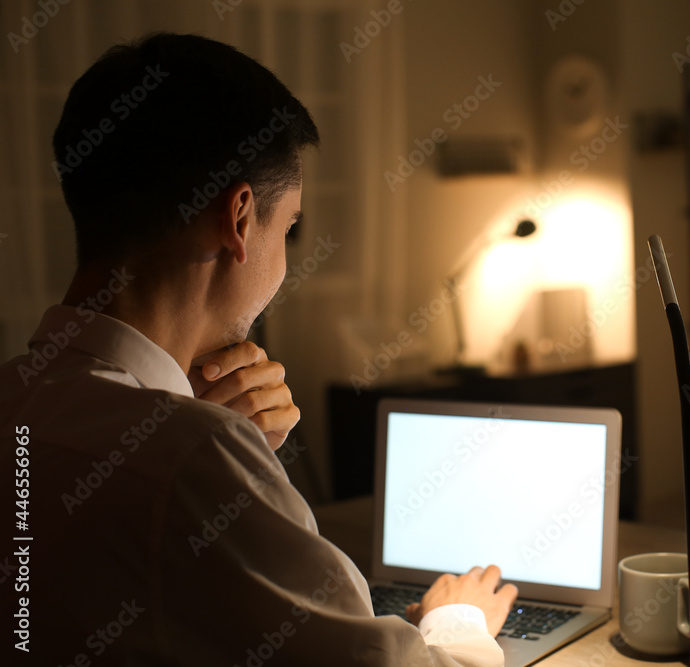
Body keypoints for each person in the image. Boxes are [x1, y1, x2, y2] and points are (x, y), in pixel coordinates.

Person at [0, 32, 516, 666]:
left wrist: (208, 436)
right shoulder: (195, 457)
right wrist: (458, 622)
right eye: (289, 226)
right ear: (239, 218)